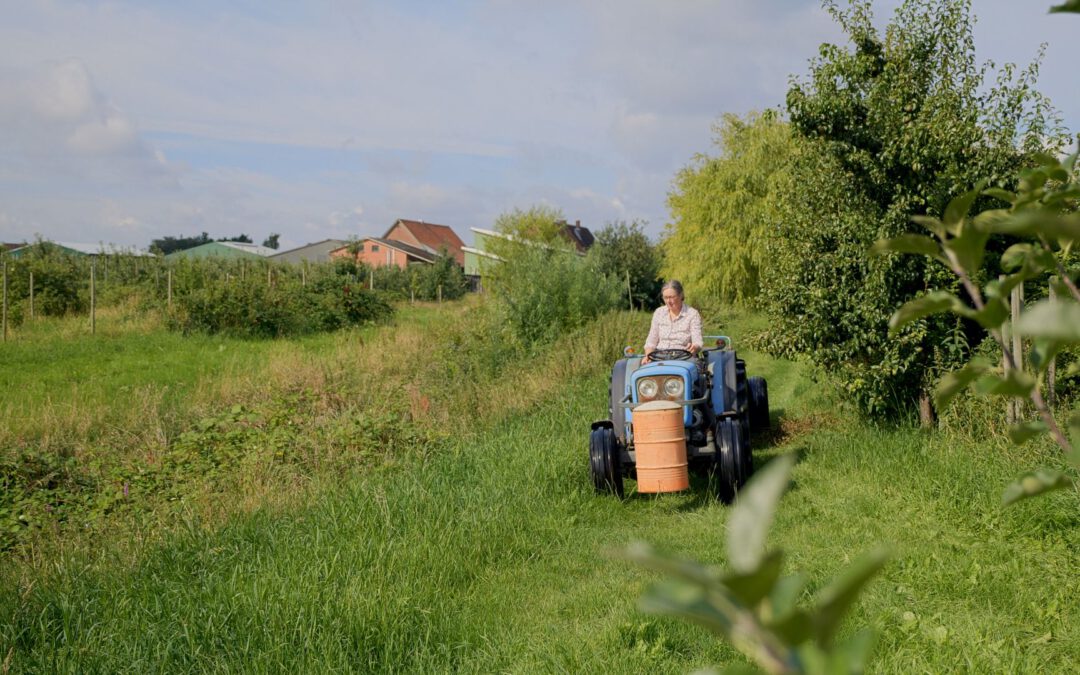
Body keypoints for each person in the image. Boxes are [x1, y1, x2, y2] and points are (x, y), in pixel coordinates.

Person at [643, 280, 703, 363]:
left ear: (681, 295)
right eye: (665, 297)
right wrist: (647, 356)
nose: (668, 301)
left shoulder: (692, 314)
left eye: (671, 297)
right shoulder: (659, 312)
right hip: (659, 356)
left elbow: (698, 342)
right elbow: (651, 341)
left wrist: (694, 347)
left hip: (683, 357)